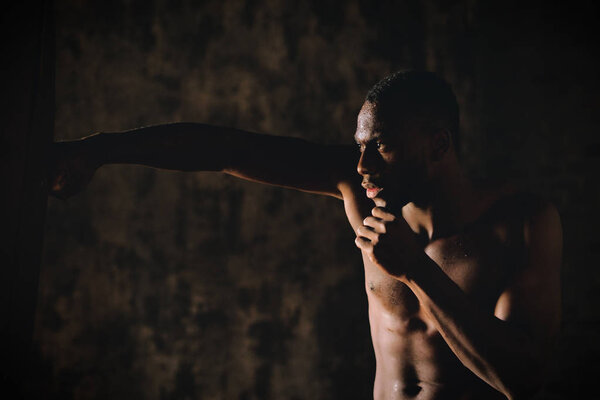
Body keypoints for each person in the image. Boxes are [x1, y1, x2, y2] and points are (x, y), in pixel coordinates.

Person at [48, 71, 562, 400]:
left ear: (438, 144)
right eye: (358, 147)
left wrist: (416, 269)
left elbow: (524, 379)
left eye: (379, 147)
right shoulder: (359, 188)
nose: (360, 166)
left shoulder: (519, 224)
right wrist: (101, 149)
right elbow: (226, 150)